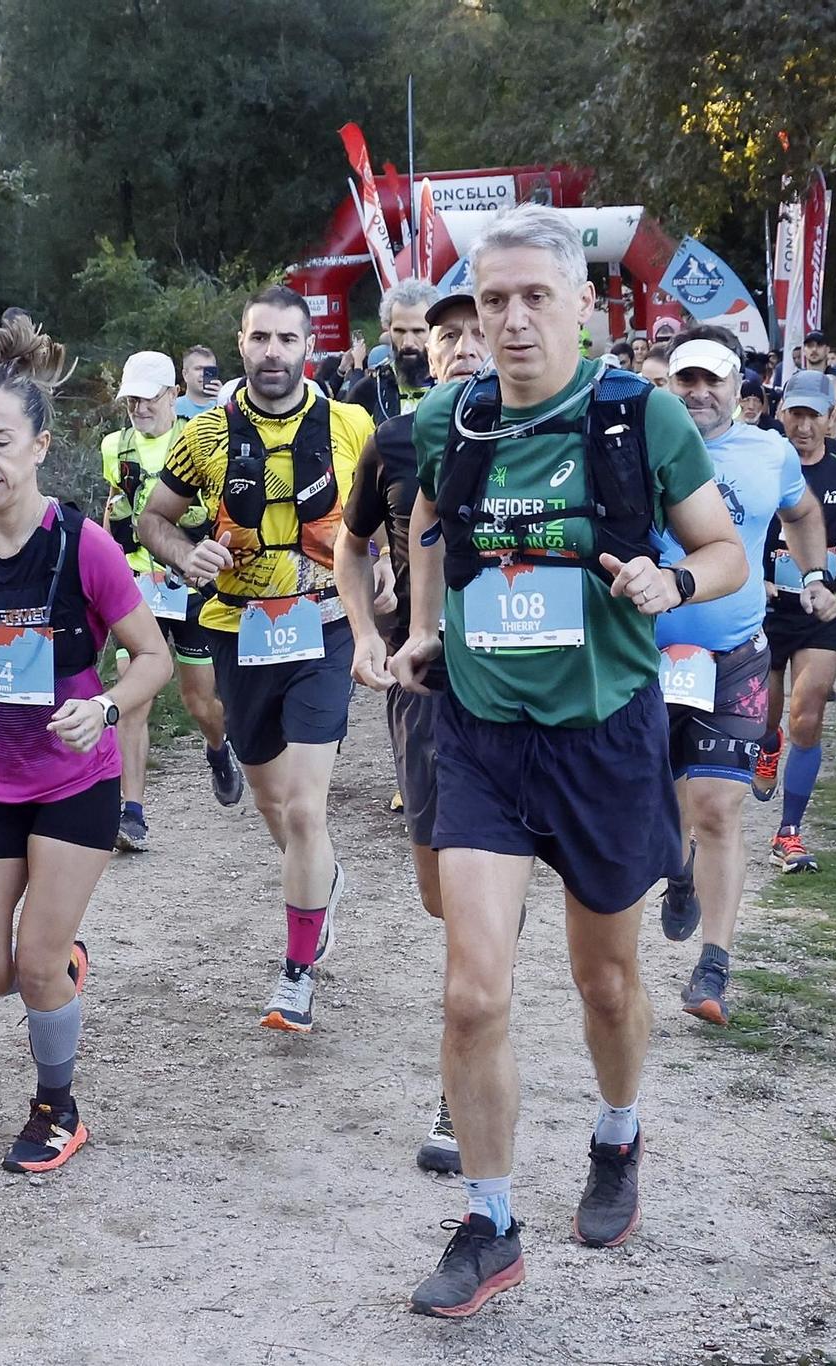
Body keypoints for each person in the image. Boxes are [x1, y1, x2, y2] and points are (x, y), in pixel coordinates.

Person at [390, 205, 746, 1317]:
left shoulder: (636, 418)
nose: (509, 320)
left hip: (602, 733)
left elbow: (726, 551)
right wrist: (420, 626)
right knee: (470, 988)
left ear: (582, 307)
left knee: (604, 983)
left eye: (533, 296)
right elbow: (425, 523)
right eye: (492, 301)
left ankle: (615, 1131)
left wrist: (668, 584)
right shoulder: (450, 417)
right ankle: (490, 1222)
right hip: (483, 736)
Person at [0, 316, 171, 1173]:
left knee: (36, 964)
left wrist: (108, 707)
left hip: (72, 782)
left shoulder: (81, 546)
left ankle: (57, 1105)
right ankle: (56, 964)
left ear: (39, 446)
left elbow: (153, 656)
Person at [138, 285, 371, 1033]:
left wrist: (388, 567)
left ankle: (296, 971)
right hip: (239, 632)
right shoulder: (202, 433)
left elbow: (392, 508)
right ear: (241, 345)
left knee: (305, 806)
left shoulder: (350, 423)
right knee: (275, 806)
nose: (273, 352)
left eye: (287, 340)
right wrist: (184, 553)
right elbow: (153, 518)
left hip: (324, 627)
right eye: (260, 339)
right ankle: (321, 881)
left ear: (310, 348)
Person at [336, 284, 489, 1174]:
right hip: (423, 686)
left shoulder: (545, 430)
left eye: (478, 332)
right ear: (423, 353)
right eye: (449, 336)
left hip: (522, 692)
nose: (466, 346)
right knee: (441, 896)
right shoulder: (394, 441)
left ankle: (461, 1074)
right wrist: (363, 630)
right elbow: (352, 546)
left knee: (479, 895)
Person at [654, 329, 836, 1026]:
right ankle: (677, 876)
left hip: (734, 656)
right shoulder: (643, 442)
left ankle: (713, 967)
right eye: (687, 380)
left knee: (718, 808)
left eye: (714, 381)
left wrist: (815, 575)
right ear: (672, 385)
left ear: (742, 389)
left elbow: (803, 511)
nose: (699, 393)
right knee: (664, 806)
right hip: (644, 659)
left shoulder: (770, 451)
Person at [99, 349, 242, 850]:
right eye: (131, 400)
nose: (138, 408)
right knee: (133, 694)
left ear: (173, 395)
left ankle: (218, 746)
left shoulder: (199, 441)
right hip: (136, 586)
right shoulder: (115, 447)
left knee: (199, 700)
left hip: (191, 587)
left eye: (148, 398)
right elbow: (112, 511)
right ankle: (131, 811)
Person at [750, 371, 836, 874]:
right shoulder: (760, 460)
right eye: (794, 414)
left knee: (808, 712)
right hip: (763, 608)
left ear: (831, 418)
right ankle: (767, 746)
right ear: (781, 414)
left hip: (822, 607)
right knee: (766, 717)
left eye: (813, 416)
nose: (803, 426)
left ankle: (789, 832)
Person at [348, 279, 441, 421]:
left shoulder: (453, 387)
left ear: (435, 330)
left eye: (417, 331)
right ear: (388, 330)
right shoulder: (370, 390)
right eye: (399, 331)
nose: (408, 343)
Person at [176, 345, 219, 420]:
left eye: (209, 369)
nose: (203, 374)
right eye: (198, 368)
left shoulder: (226, 406)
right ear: (185, 374)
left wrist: (223, 398)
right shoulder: (171, 408)